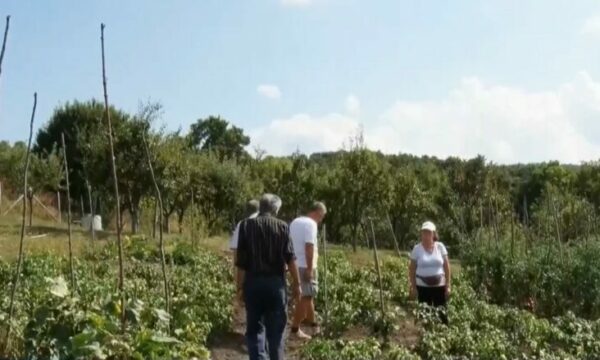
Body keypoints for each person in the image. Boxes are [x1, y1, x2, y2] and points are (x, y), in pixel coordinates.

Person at [236, 194, 302, 360]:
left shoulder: (245, 226)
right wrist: (297, 284)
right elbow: (290, 258)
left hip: (253, 283)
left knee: (255, 329)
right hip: (275, 285)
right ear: (275, 209)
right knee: (276, 332)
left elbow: (241, 262)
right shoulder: (282, 227)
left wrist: (239, 287)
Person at [290, 201, 327, 340]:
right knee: (306, 297)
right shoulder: (311, 224)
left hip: (294, 263)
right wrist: (310, 268)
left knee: (307, 294)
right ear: (317, 212)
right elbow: (309, 246)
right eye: (322, 216)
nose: (321, 219)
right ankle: (295, 330)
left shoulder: (295, 222)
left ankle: (313, 324)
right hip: (305, 265)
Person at [408, 221, 451, 324]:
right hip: (423, 287)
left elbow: (446, 266)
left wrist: (448, 285)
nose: (426, 235)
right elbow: (412, 269)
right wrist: (413, 287)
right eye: (424, 233)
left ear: (433, 234)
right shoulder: (417, 249)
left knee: (442, 314)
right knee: (425, 314)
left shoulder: (440, 247)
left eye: (428, 233)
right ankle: (426, 336)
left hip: (439, 286)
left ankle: (442, 335)